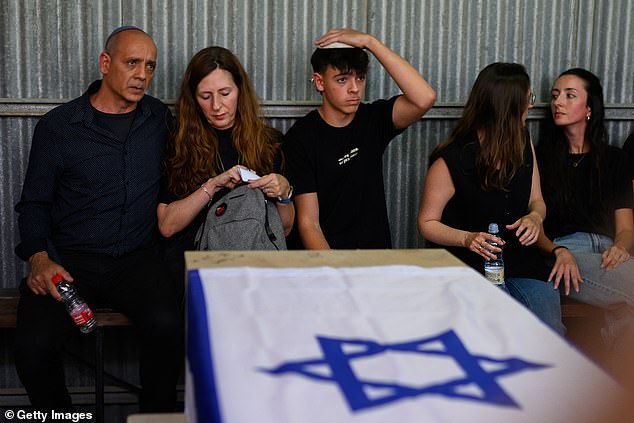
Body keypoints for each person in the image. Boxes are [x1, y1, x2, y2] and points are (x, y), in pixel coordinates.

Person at [14, 26, 182, 412]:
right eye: (132, 63)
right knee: (33, 347)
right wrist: (39, 259)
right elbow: (34, 204)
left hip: (136, 261)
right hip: (70, 261)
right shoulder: (58, 128)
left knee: (168, 328)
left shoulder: (158, 119)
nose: (142, 74)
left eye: (150, 66)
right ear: (106, 64)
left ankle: (154, 419)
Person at [417, 62, 564, 335]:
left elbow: (537, 201)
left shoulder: (523, 143)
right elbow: (427, 222)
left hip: (521, 261)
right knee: (503, 329)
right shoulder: (452, 159)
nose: (531, 106)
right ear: (507, 107)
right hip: (469, 265)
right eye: (527, 99)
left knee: (551, 330)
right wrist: (467, 238)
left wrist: (534, 217)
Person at [283, 28, 436, 249]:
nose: (355, 88)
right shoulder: (302, 137)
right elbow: (309, 224)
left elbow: (425, 98)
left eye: (360, 78)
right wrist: (336, 275)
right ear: (319, 82)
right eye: (342, 79)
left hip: (375, 259)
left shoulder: (373, 119)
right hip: (330, 262)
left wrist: (370, 42)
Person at [157, 46, 294, 292]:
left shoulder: (269, 142)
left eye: (225, 93)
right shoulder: (179, 144)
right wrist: (213, 185)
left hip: (255, 264)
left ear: (240, 91)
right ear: (193, 99)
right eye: (205, 96)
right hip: (198, 265)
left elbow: (284, 228)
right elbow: (167, 226)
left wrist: (284, 193)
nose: (217, 105)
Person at [535, 68, 634, 350]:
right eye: (555, 96)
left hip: (607, 253)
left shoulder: (614, 159)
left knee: (626, 317)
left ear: (589, 107)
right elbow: (534, 228)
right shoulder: (539, 159)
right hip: (562, 254)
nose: (558, 102)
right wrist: (556, 252)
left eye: (569, 95)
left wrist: (621, 247)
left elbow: (626, 228)